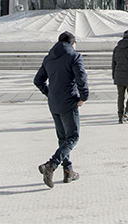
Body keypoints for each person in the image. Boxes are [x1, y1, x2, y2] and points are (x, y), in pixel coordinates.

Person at [34, 31, 89, 188]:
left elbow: (38, 80)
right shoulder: (74, 56)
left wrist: (49, 93)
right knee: (73, 137)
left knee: (63, 138)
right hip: (68, 102)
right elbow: (81, 78)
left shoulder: (49, 58)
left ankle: (68, 170)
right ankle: (51, 165)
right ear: (72, 43)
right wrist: (83, 97)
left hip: (54, 104)